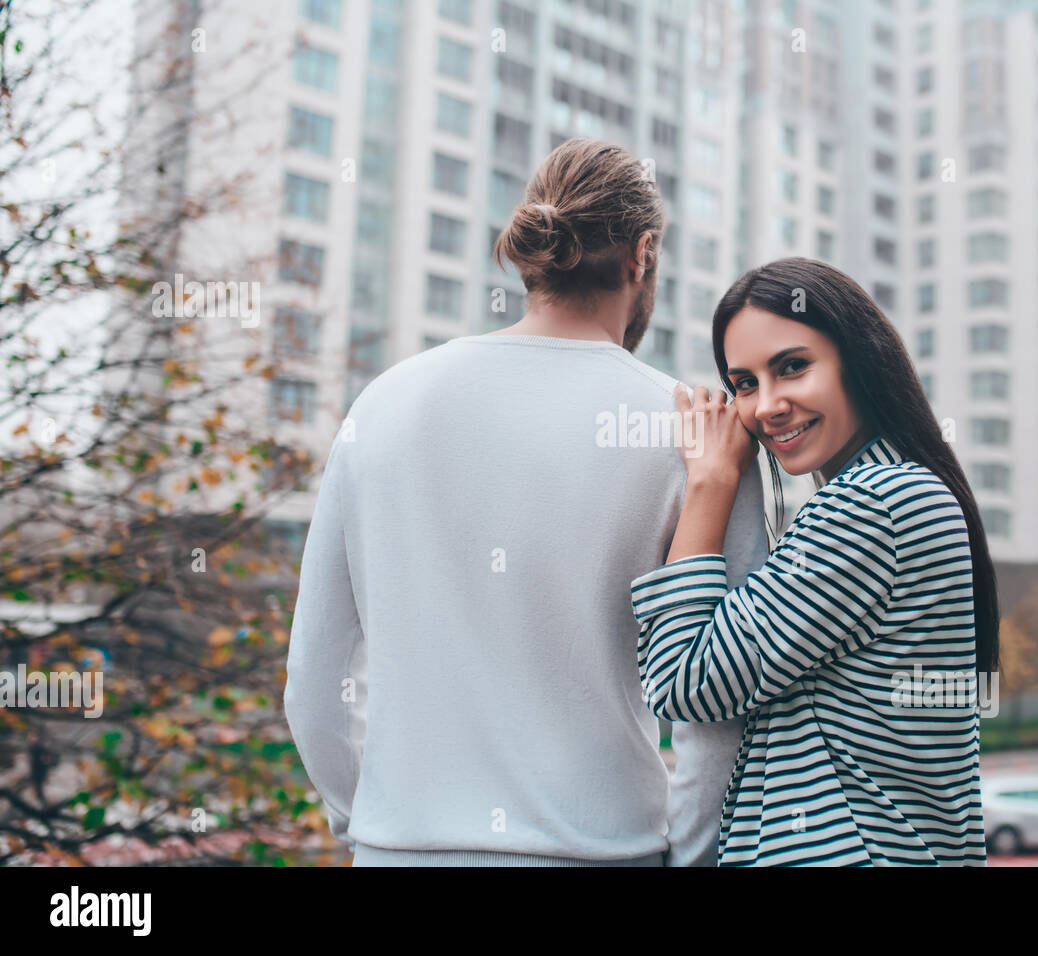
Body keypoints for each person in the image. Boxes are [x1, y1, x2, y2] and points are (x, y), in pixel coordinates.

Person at [283, 139, 769, 866]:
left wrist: (371, 827)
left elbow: (314, 681)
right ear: (643, 254)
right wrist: (692, 857)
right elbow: (721, 706)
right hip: (607, 851)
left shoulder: (385, 405)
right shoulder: (700, 436)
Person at [629, 257, 999, 866]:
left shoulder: (876, 503)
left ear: (859, 357)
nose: (767, 405)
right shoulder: (903, 491)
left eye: (792, 367)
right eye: (744, 384)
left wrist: (712, 482)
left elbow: (683, 682)